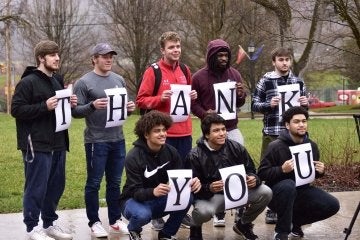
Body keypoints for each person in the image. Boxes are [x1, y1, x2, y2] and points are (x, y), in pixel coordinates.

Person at [11, 40, 76, 240]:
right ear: (41, 58)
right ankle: (32, 228)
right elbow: (16, 110)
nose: (57, 58)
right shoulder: (28, 82)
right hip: (36, 143)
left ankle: (49, 224)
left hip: (58, 142)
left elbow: (59, 108)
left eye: (58, 54)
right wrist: (43, 106)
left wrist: (70, 103)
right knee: (36, 186)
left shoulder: (56, 80)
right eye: (52, 55)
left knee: (56, 185)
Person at [72, 43, 135, 237]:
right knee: (94, 183)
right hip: (96, 141)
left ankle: (115, 220)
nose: (108, 60)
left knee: (115, 182)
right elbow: (75, 112)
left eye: (111, 56)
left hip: (118, 138)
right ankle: (94, 222)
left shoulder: (119, 80)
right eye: (104, 56)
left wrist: (129, 109)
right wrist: (92, 105)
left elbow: (121, 108)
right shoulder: (84, 82)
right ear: (94, 59)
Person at [136, 31, 197, 230]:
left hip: (185, 131)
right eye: (171, 47)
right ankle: (157, 215)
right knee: (161, 176)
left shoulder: (186, 70)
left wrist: (192, 96)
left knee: (182, 174)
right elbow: (141, 101)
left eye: (178, 46)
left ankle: (179, 211)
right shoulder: (153, 71)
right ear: (163, 50)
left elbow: (184, 100)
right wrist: (160, 98)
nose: (176, 50)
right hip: (164, 134)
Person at [257, 106, 340, 240]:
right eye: (296, 121)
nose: (301, 124)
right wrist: (281, 170)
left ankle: (295, 223)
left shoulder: (311, 146)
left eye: (304, 121)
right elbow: (261, 173)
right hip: (277, 194)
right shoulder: (275, 146)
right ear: (287, 125)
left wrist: (320, 171)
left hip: (302, 191)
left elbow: (309, 174)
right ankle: (281, 232)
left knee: (333, 204)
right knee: (288, 185)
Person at [186, 113, 273, 240]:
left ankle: (243, 224)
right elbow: (191, 189)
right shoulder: (194, 155)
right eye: (216, 130)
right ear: (206, 135)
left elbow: (251, 170)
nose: (222, 133)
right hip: (213, 198)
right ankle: (195, 228)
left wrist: (254, 179)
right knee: (202, 212)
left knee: (265, 192)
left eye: (223, 129)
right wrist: (209, 187)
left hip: (238, 193)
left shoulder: (236, 147)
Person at [119, 110, 202, 240]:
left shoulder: (171, 152)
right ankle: (134, 230)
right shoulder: (133, 156)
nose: (163, 134)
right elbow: (134, 191)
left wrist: (191, 182)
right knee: (142, 215)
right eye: (157, 131)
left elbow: (180, 179)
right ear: (146, 134)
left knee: (187, 197)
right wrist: (154, 191)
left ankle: (166, 234)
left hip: (158, 199)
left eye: (164, 130)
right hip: (133, 200)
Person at [191, 39, 247, 227]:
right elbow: (193, 103)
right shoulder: (198, 77)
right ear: (211, 56)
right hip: (210, 131)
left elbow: (239, 103)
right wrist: (204, 113)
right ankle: (219, 211)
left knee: (238, 167)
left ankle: (240, 209)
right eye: (220, 55)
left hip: (231, 128)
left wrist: (241, 95)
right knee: (212, 170)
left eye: (226, 55)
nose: (223, 59)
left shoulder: (235, 74)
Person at [252, 47, 309, 224]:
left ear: (291, 61)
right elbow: (254, 104)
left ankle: (294, 206)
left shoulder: (298, 82)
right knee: (270, 172)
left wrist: (306, 103)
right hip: (273, 132)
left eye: (287, 59)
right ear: (274, 62)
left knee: (295, 171)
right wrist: (269, 104)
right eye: (281, 59)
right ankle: (272, 208)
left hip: (293, 136)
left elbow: (304, 109)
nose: (284, 63)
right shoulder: (266, 81)